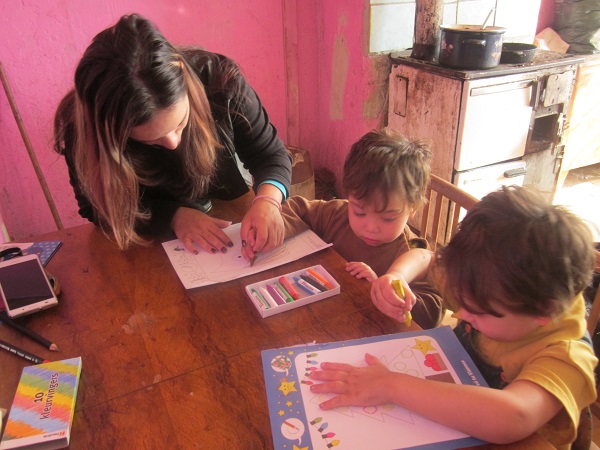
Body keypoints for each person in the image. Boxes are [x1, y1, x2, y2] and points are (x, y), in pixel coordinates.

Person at [310, 185, 598, 448]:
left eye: (478, 311)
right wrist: (395, 276)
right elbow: (426, 259)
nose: (463, 313)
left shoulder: (566, 354)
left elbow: (514, 416)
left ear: (543, 312)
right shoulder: (491, 284)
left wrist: (389, 385)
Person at [53, 14, 292, 261]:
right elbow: (96, 208)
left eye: (180, 124)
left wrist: (268, 200)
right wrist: (172, 216)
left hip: (226, 207)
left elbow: (270, 155)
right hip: (149, 239)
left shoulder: (220, 81)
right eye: (152, 140)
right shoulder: (82, 129)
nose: (173, 142)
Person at [280, 128, 445, 329]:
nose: (371, 228)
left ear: (412, 209)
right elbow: (296, 208)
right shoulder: (337, 213)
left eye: (388, 218)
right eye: (359, 212)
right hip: (323, 315)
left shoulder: (411, 252)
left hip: (367, 331)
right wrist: (271, 225)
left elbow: (433, 313)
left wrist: (388, 293)